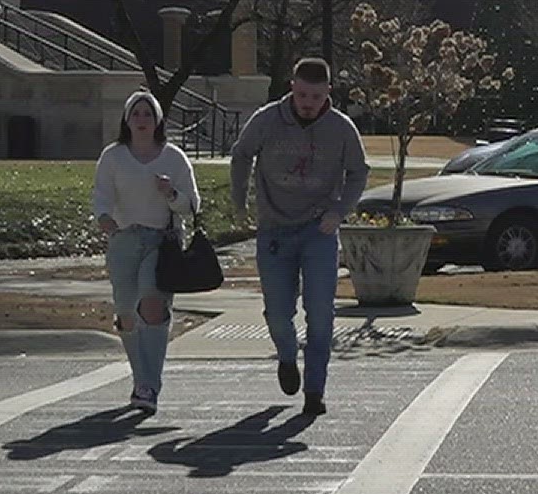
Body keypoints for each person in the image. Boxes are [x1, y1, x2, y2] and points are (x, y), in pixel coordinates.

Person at [229, 57, 369, 418]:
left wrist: (339, 211)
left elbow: (358, 172)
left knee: (320, 313)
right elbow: (242, 154)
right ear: (292, 86)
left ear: (328, 95)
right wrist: (239, 196)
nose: (309, 102)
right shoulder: (267, 120)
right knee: (278, 313)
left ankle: (315, 390)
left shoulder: (341, 128)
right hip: (274, 228)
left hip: (319, 229)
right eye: (303, 93)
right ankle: (287, 357)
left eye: (317, 96)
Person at [92, 90, 200, 415]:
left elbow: (192, 205)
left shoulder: (174, 158)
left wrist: (171, 193)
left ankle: (148, 387)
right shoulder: (113, 156)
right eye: (136, 114)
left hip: (160, 240)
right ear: (127, 119)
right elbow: (101, 195)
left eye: (148, 115)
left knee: (152, 305)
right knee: (127, 311)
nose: (142, 120)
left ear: (158, 121)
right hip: (124, 239)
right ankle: (143, 379)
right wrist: (106, 220)